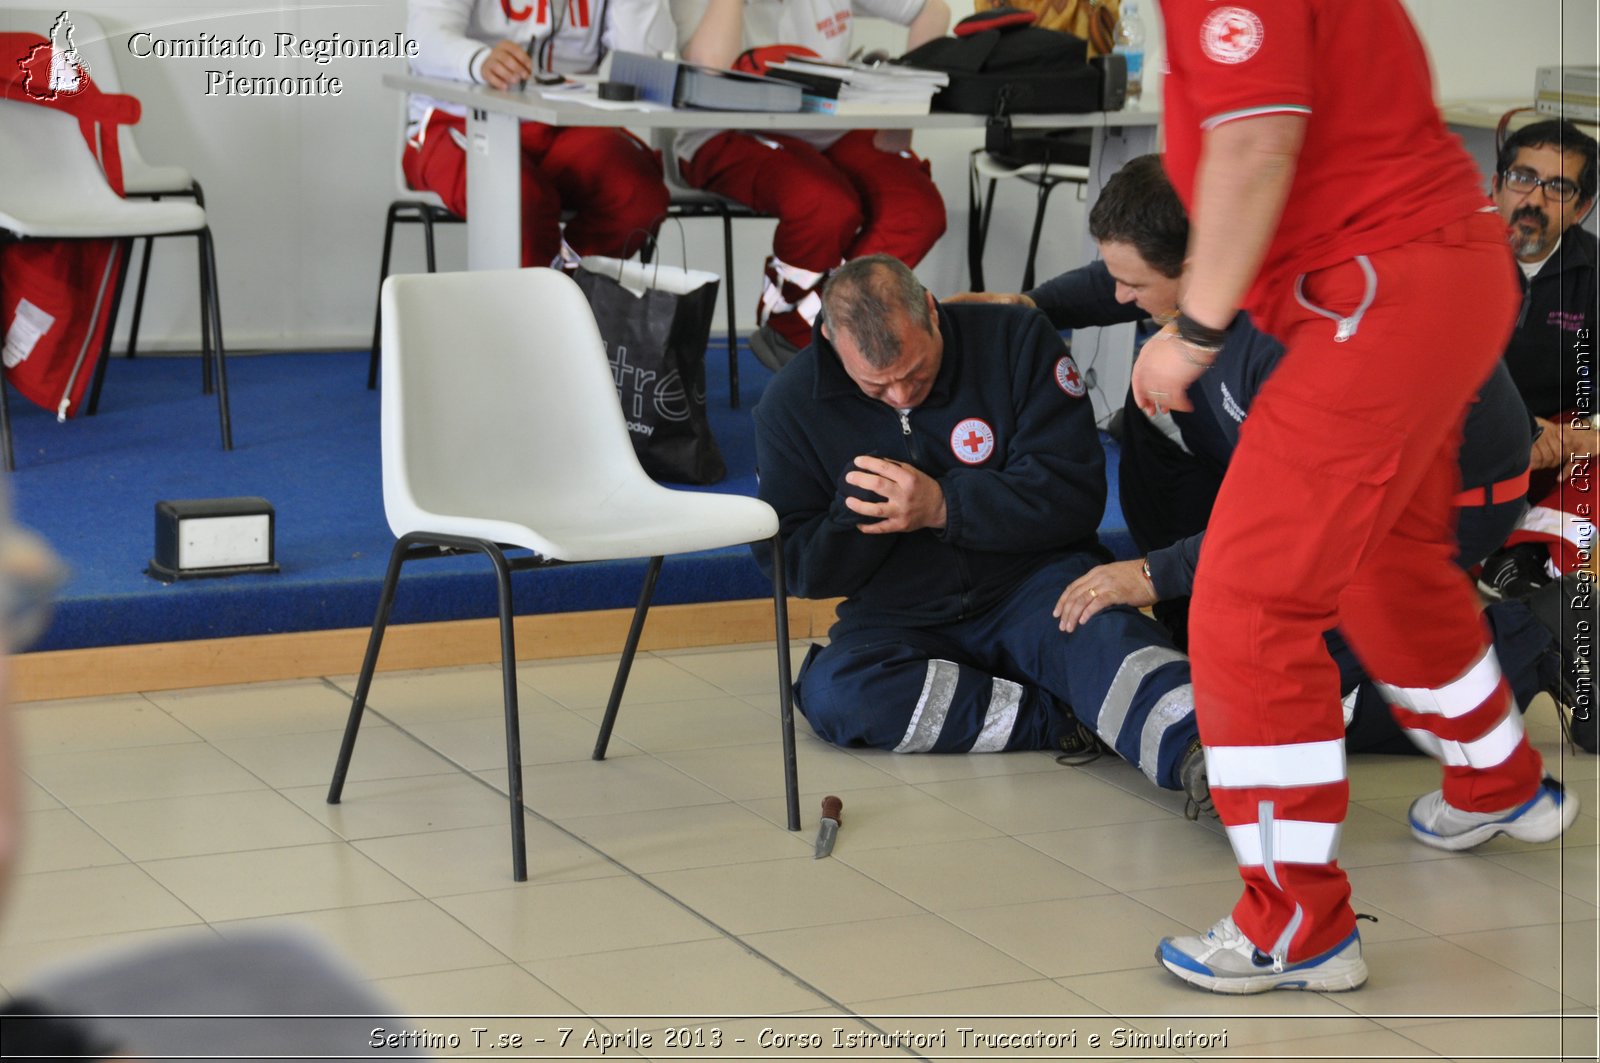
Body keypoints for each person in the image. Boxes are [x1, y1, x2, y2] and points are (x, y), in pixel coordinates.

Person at [1137, 0, 1577, 993]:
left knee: (1248, 607)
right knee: (1384, 561)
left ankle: (1296, 923)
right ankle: (1496, 779)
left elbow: (1253, 145)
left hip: (1378, 295)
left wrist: (1193, 333)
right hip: (1431, 277)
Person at [953, 154, 1582, 753]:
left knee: (1272, 703)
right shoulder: (1235, 237)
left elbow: (1288, 513)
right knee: (1160, 392)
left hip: (1439, 502)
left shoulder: (1302, 345)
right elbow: (1129, 268)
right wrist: (1034, 306)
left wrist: (1149, 574)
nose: (1119, 297)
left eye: (1132, 285)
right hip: (1343, 466)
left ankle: (1536, 637)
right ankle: (1201, 606)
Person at [751, 254, 1207, 807]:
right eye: (877, 388)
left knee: (1107, 636)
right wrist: (860, 516)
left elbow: (1074, 495)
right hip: (900, 614)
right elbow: (796, 568)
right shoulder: (789, 405)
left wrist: (944, 505)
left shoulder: (1016, 340)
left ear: (933, 313)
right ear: (829, 340)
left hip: (1034, 583)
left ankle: (1206, 759)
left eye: (916, 374)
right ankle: (1058, 717)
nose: (901, 396)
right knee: (838, 694)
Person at [670, 0, 951, 369]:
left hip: (825, 125)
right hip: (723, 128)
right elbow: (710, 66)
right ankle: (792, 334)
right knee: (824, 203)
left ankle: (843, 328)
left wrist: (903, 108)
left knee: (917, 209)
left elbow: (932, 10)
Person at [404, 0, 689, 267]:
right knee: (517, 200)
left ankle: (568, 289)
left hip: (566, 121)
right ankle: (537, 310)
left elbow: (645, 65)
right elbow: (423, 38)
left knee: (637, 194)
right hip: (459, 118)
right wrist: (479, 61)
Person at [1476, 120, 1599, 598]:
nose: (1534, 199)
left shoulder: (1593, 278)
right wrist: (1517, 428)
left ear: (1581, 209)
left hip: (1556, 444)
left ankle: (1526, 557)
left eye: (1559, 187)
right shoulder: (1448, 259)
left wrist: (1589, 432)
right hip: (1463, 431)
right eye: (1523, 177)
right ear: (1496, 185)